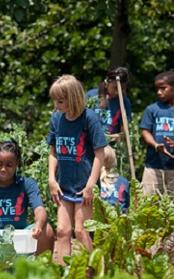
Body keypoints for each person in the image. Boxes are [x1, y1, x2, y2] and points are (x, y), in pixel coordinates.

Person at [47, 74, 107, 265]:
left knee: (81, 231)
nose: (56, 105)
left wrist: (91, 185)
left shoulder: (89, 118)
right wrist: (51, 180)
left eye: (61, 101)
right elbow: (53, 152)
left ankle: (94, 272)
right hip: (63, 186)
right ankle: (64, 275)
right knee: (62, 231)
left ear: (73, 98)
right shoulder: (56, 119)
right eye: (55, 100)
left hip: (84, 187)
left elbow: (100, 154)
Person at [0, 140, 55, 254]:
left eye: (9, 165)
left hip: (20, 242)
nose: (3, 169)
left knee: (47, 230)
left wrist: (38, 225)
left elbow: (39, 209)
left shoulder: (27, 184)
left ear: (17, 164)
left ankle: (41, 269)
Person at [139, 70, 174, 195]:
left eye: (163, 88)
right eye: (157, 89)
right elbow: (145, 131)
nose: (159, 92)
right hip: (153, 166)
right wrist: (155, 144)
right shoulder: (152, 109)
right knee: (149, 204)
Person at [86, 67, 132, 142]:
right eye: (115, 88)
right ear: (107, 83)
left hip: (111, 146)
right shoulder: (91, 96)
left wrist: (118, 136)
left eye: (122, 88)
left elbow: (125, 132)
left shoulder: (125, 102)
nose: (118, 92)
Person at [100, 145, 130, 213]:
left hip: (100, 221)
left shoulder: (95, 182)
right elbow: (127, 205)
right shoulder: (124, 181)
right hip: (120, 220)